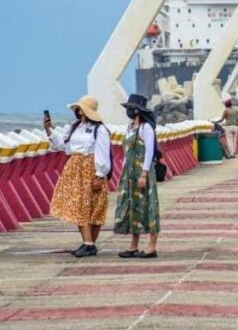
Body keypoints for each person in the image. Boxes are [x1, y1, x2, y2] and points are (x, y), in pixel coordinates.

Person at [45, 95, 110, 257]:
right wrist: (49, 130)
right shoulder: (74, 126)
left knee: (94, 207)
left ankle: (89, 244)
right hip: (75, 168)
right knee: (78, 205)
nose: (78, 111)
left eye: (81, 109)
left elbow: (103, 152)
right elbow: (61, 145)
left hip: (90, 168)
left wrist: (100, 174)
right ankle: (88, 244)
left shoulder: (100, 129)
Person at [114, 94, 161, 258]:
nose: (128, 111)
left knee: (148, 206)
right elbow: (126, 154)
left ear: (138, 110)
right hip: (129, 173)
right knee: (133, 207)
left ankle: (151, 246)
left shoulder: (146, 128)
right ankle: (133, 245)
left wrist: (144, 173)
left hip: (142, 172)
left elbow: (149, 152)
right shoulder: (129, 128)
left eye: (131, 108)